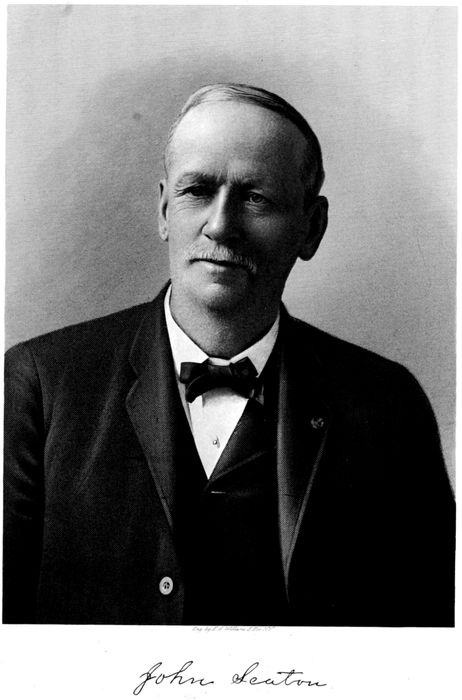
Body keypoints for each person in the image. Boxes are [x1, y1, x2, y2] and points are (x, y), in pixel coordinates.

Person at [3, 83, 455, 626]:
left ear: (311, 228)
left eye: (255, 198)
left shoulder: (387, 405)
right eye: (197, 191)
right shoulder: (40, 384)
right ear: (164, 209)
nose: (220, 225)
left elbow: (429, 638)